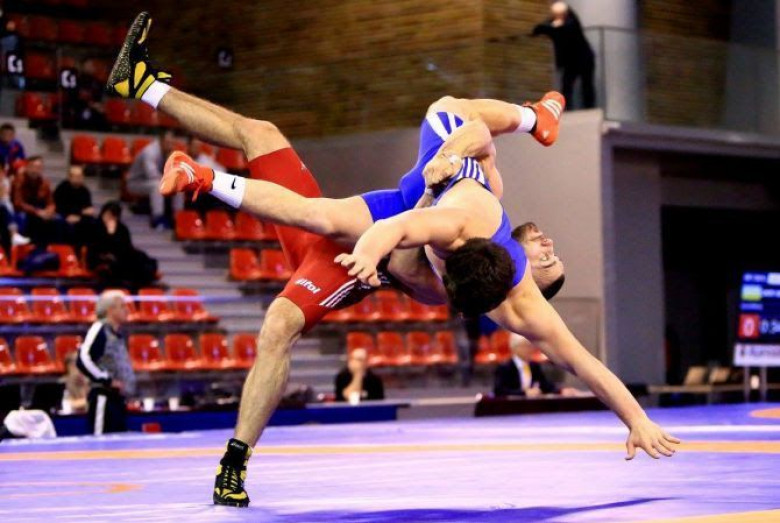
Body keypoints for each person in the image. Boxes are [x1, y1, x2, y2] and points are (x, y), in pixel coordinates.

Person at [108, 12, 678, 508]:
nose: (550, 247)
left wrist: (373, 249)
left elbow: (582, 362)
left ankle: (234, 462)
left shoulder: (501, 283)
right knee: (267, 137)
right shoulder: (478, 215)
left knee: (288, 303)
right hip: (399, 210)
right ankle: (144, 86)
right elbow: (471, 145)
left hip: (363, 249)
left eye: (551, 263)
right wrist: (455, 155)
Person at [76, 290, 135, 435]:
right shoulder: (99, 329)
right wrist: (106, 379)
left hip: (118, 400)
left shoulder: (118, 334)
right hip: (103, 398)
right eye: (122, 306)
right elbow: (83, 358)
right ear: (110, 310)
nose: (127, 310)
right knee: (101, 442)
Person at [533, 1, 596, 110]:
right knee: (567, 85)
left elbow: (567, 27)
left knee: (586, 84)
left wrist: (554, 26)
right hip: (569, 61)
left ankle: (589, 107)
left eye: (560, 14)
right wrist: (552, 25)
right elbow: (538, 29)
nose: (558, 17)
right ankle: (567, 108)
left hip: (583, 58)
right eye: (556, 15)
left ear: (565, 13)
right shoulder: (552, 24)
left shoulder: (571, 22)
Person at [87, 201, 158, 289]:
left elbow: (126, 246)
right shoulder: (95, 227)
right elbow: (95, 248)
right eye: (107, 215)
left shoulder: (122, 228)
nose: (109, 218)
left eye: (113, 216)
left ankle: (141, 285)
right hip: (101, 257)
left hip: (120, 256)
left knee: (140, 258)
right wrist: (110, 234)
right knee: (119, 264)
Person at [125, 129, 181, 229]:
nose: (170, 145)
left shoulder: (170, 153)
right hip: (136, 182)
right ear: (161, 141)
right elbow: (152, 175)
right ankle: (158, 218)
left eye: (172, 143)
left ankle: (178, 217)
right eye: (168, 142)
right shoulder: (149, 152)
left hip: (152, 181)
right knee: (157, 186)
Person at [494, 332, 578, 397]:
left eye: (531, 346)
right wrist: (524, 393)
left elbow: (545, 386)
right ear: (516, 348)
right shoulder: (505, 367)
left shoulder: (533, 366)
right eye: (526, 346)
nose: (531, 350)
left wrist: (561, 391)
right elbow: (499, 390)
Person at [11, 156, 60, 246]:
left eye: (39, 167)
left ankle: (54, 248)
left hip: (41, 210)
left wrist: (49, 211)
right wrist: (37, 212)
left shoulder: (44, 182)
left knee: (58, 219)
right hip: (24, 211)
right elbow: (18, 203)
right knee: (22, 217)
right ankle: (23, 247)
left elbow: (51, 202)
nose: (35, 170)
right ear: (27, 167)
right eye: (33, 167)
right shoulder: (19, 180)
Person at [54, 164, 96, 248]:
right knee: (63, 223)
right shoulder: (62, 188)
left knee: (93, 223)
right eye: (76, 176)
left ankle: (86, 250)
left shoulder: (84, 190)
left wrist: (80, 215)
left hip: (79, 216)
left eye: (80, 176)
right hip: (64, 215)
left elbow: (88, 208)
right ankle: (66, 249)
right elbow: (60, 207)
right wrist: (79, 212)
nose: (79, 178)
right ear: (70, 177)